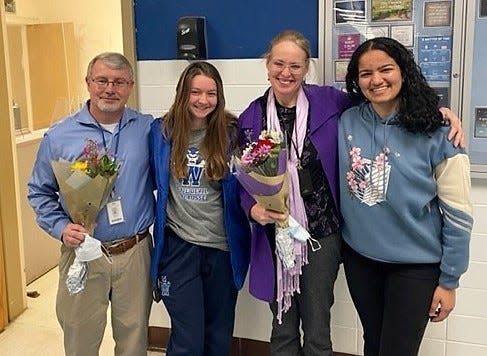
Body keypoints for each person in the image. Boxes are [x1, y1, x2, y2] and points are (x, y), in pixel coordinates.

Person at [238, 30, 465, 356]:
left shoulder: (329, 103)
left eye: (295, 65)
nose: (286, 72)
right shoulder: (253, 117)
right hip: (277, 234)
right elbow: (245, 177)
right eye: (278, 64)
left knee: (317, 327)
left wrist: (440, 112)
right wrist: (252, 209)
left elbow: (383, 100)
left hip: (322, 235)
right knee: (282, 327)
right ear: (267, 65)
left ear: (306, 68)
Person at [338, 37, 473, 356]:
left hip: (415, 266)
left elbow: (459, 215)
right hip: (361, 259)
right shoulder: (348, 120)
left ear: (404, 71)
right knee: (373, 342)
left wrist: (450, 281)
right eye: (365, 73)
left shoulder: (439, 131)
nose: (376, 80)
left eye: (385, 69)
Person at [28, 52, 155, 356]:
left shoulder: (147, 129)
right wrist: (60, 228)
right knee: (80, 339)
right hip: (83, 252)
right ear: (88, 83)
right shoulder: (59, 136)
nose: (109, 89)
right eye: (102, 80)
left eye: (119, 82)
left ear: (131, 86)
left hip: (134, 252)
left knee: (134, 341)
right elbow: (39, 192)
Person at [149, 61, 251, 356]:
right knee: (187, 339)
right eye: (196, 92)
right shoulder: (161, 132)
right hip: (178, 248)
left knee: (218, 337)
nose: (203, 100)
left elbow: (248, 185)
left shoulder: (232, 133)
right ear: (182, 92)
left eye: (211, 93)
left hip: (221, 249)